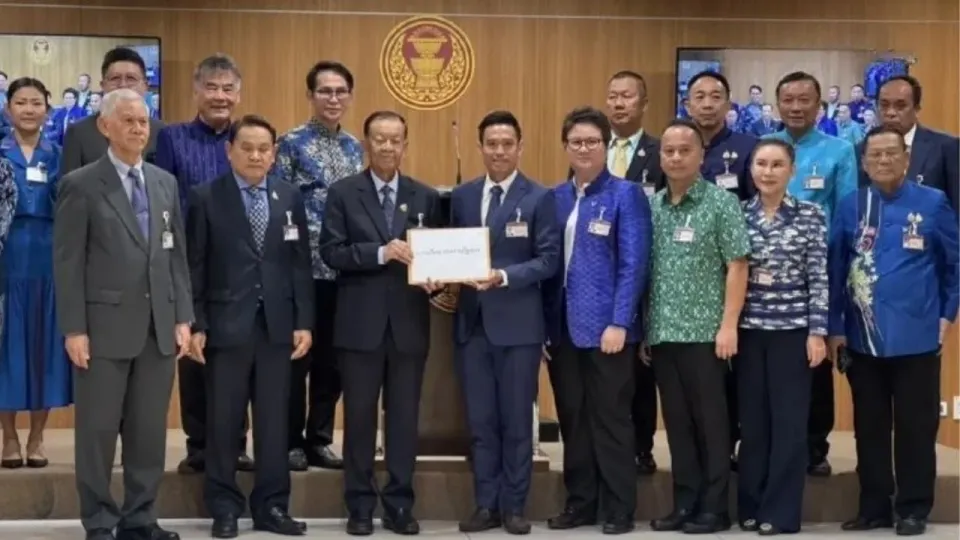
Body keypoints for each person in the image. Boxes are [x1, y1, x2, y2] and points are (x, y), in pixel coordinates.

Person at [53, 88, 192, 540]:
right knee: (96, 433)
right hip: (102, 328)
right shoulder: (80, 184)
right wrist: (74, 328)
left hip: (158, 329)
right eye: (128, 120)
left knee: (149, 432)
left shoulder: (164, 182)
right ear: (105, 126)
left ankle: (141, 517)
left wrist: (183, 317)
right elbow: (68, 263)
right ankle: (98, 520)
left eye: (143, 121)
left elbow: (176, 258)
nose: (138, 128)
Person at [187, 115, 313, 538]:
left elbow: (299, 265)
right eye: (247, 148)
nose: (256, 155)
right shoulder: (205, 197)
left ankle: (272, 507)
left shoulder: (288, 196)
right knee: (224, 423)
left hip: (278, 328)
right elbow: (196, 266)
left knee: (275, 422)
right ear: (230, 151)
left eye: (264, 149)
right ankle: (224, 507)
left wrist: (304, 322)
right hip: (225, 326)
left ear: (274, 153)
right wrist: (197, 323)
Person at [318, 110, 443, 536]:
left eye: (395, 140)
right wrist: (378, 252)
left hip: (409, 327)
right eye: (379, 139)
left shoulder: (424, 196)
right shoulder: (343, 193)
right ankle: (358, 505)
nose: (388, 147)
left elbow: (438, 256)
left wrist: (437, 279)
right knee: (358, 419)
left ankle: (400, 505)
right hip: (359, 326)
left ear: (406, 145)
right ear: (366, 144)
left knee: (404, 420)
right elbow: (331, 252)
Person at [830, 126, 958, 536]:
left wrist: (947, 315)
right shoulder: (852, 206)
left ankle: (913, 508)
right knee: (869, 428)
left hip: (917, 337)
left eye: (891, 154)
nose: (883, 161)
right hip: (862, 338)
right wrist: (835, 329)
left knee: (916, 428)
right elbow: (834, 272)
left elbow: (955, 265)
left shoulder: (933, 203)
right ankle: (873, 508)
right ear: (864, 163)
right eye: (875, 156)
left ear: (906, 158)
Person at [543, 106, 651, 535]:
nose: (584, 148)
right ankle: (581, 503)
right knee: (573, 418)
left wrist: (620, 322)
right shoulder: (556, 197)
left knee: (610, 418)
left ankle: (620, 507)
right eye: (576, 142)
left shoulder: (626, 195)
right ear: (565, 147)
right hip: (562, 329)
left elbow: (634, 264)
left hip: (608, 330)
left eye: (592, 141)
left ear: (605, 146)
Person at [451, 110, 560, 535]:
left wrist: (504, 276)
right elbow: (450, 250)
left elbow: (549, 260)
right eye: (491, 144)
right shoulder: (462, 195)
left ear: (520, 146)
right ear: (480, 147)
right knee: (481, 422)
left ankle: (514, 507)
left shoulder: (539, 197)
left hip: (518, 328)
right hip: (472, 325)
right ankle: (486, 504)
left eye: (506, 143)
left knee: (517, 422)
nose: (498, 151)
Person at [647, 119, 750, 534]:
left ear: (701, 155)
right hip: (663, 334)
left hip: (707, 336)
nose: (675, 157)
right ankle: (684, 504)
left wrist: (729, 325)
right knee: (677, 426)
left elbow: (738, 264)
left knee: (712, 425)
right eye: (668, 150)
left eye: (684, 150)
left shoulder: (720, 203)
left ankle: (714, 508)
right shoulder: (652, 206)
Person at [155, 53, 253, 474]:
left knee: (239, 357)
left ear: (238, 93)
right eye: (211, 87)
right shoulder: (172, 138)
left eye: (228, 88)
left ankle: (236, 445)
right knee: (194, 355)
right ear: (196, 91)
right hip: (187, 262)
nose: (219, 96)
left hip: (241, 267)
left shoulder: (250, 138)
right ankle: (199, 447)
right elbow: (163, 199)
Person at [765, 71, 858, 477]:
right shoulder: (766, 147)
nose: (797, 107)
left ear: (820, 106)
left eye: (805, 100)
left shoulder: (839, 150)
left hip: (819, 273)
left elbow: (846, 212)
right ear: (778, 104)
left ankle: (814, 447)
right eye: (789, 100)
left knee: (815, 361)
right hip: (768, 278)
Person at [272, 60, 363, 472]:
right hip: (302, 271)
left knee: (332, 361)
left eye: (340, 91)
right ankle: (290, 441)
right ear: (310, 95)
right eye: (324, 91)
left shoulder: (356, 148)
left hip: (344, 273)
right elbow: (277, 206)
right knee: (295, 361)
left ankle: (319, 439)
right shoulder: (289, 144)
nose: (333, 98)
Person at [736, 139, 828, 535]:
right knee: (753, 425)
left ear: (792, 170)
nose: (768, 171)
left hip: (793, 333)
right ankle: (752, 505)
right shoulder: (737, 214)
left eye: (777, 164)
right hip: (749, 332)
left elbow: (819, 277)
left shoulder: (810, 215)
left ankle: (781, 511)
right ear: (751, 169)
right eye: (761, 163)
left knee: (789, 425)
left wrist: (818, 332)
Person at [0, 78, 69, 470]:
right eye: (20, 102)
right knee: (6, 348)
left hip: (49, 256)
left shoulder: (59, 154)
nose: (28, 109)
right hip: (6, 258)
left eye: (36, 103)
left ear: (48, 109)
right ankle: (9, 438)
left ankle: (38, 437)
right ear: (8, 109)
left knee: (44, 346)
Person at [603, 70, 663, 474]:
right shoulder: (591, 149)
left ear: (643, 104)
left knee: (641, 367)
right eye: (613, 96)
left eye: (627, 96)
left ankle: (641, 447)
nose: (619, 103)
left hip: (645, 273)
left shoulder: (662, 152)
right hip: (600, 273)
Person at [858, 75, 959, 210]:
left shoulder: (946, 147)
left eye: (900, 106)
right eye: (884, 105)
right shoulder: (862, 148)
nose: (891, 112)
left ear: (916, 108)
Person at [61, 47, 164, 175]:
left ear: (145, 86)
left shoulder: (161, 131)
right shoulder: (78, 132)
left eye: (131, 78)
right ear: (102, 85)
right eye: (115, 78)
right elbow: (69, 188)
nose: (123, 85)